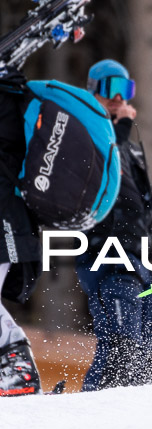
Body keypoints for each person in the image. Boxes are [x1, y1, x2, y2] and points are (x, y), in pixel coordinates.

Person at [76, 59, 152, 391]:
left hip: (138, 262)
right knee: (121, 352)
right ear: (91, 93)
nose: (117, 98)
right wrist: (121, 128)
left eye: (125, 90)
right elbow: (99, 168)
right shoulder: (86, 134)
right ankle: (84, 417)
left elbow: (134, 212)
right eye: (109, 88)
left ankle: (143, 427)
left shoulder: (130, 149)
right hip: (106, 258)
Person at [0, 66, 42, 396]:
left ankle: (19, 371)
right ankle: (17, 369)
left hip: (6, 218)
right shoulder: (12, 97)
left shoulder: (8, 98)